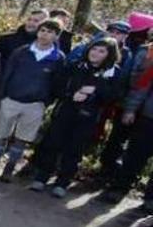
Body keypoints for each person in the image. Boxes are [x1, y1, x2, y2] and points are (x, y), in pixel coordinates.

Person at [29, 37, 122, 197]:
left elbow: (113, 96)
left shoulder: (113, 73)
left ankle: (62, 182)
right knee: (53, 143)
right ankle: (42, 177)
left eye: (101, 51)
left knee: (74, 149)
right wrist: (72, 93)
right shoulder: (75, 65)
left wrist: (94, 90)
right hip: (66, 110)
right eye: (94, 49)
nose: (95, 53)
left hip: (89, 117)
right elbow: (58, 85)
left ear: (109, 54)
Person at [0, 18, 66, 181]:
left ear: (56, 36)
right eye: (42, 30)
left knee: (22, 139)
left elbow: (57, 84)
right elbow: (7, 73)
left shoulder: (58, 58)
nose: (44, 35)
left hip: (35, 104)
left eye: (50, 32)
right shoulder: (22, 51)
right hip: (11, 99)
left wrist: (46, 101)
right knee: (1, 134)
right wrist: (3, 95)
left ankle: (9, 168)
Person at [98, 41, 153, 210]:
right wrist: (130, 110)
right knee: (135, 156)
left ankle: (150, 201)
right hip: (149, 118)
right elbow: (143, 87)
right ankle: (119, 188)